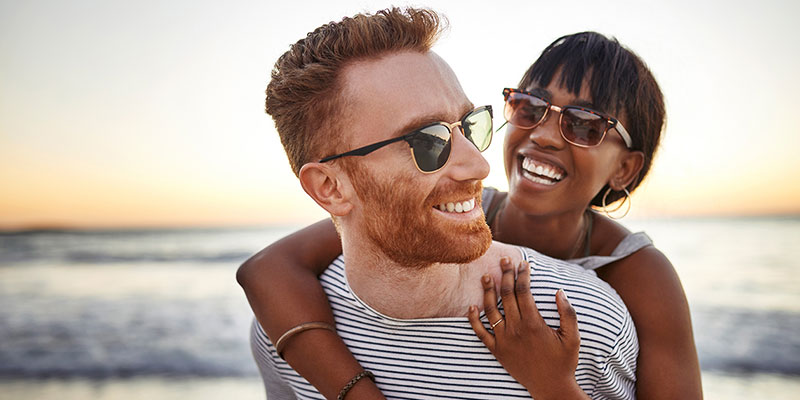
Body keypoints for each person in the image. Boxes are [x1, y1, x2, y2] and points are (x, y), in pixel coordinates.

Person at [239, 16, 703, 399]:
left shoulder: (636, 278)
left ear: (624, 170)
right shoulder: (460, 208)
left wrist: (552, 383)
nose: (543, 134)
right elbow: (269, 269)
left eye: (583, 126)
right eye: (530, 108)